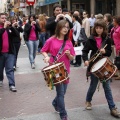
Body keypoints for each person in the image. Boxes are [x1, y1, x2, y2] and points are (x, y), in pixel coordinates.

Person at [82, 19, 120, 118]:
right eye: (97, 28)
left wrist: (104, 52)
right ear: (95, 28)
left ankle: (112, 108)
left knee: (107, 88)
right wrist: (85, 60)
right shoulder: (91, 39)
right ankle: (88, 100)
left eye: (101, 28)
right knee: (93, 86)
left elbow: (109, 52)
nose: (99, 30)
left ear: (104, 29)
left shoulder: (107, 39)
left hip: (104, 66)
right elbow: (85, 51)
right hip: (94, 66)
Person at [41, 20, 75, 120]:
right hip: (54, 69)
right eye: (63, 27)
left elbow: (72, 57)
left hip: (65, 69)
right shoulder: (51, 40)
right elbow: (43, 50)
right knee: (60, 93)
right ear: (58, 28)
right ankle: (63, 114)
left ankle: (55, 103)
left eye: (67, 27)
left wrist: (69, 55)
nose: (65, 29)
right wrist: (47, 57)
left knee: (63, 92)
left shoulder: (68, 41)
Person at [0, 13, 17, 92]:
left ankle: (12, 84)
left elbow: (16, 35)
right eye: (2, 18)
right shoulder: (2, 28)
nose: (4, 20)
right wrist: (4, 28)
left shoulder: (8, 28)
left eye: (5, 18)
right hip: (1, 53)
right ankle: (0, 79)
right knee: (0, 69)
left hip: (10, 52)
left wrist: (12, 27)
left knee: (10, 69)